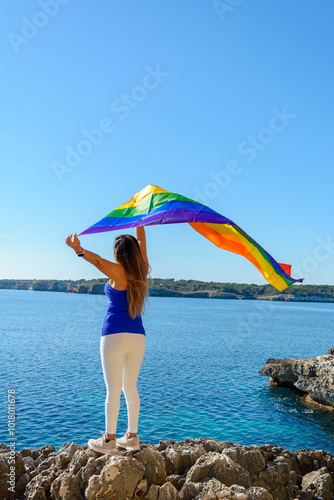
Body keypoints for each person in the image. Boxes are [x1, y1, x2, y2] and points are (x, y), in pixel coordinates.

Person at [65, 227, 149, 454]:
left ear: (119, 254)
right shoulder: (142, 269)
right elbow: (140, 240)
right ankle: (132, 437)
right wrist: (140, 221)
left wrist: (78, 250)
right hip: (137, 337)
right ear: (134, 252)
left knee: (112, 389)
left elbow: (97, 261)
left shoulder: (117, 270)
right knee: (130, 388)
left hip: (114, 335)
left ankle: (109, 441)